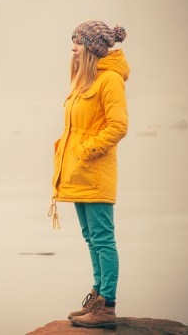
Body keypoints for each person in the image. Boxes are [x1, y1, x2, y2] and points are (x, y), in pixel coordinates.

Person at [48, 19, 129, 329]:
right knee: (91, 239)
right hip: (79, 173)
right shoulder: (85, 80)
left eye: (78, 43)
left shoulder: (109, 81)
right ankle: (97, 298)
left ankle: (106, 307)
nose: (73, 47)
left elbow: (118, 126)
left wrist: (85, 151)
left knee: (103, 240)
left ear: (92, 48)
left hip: (94, 173)